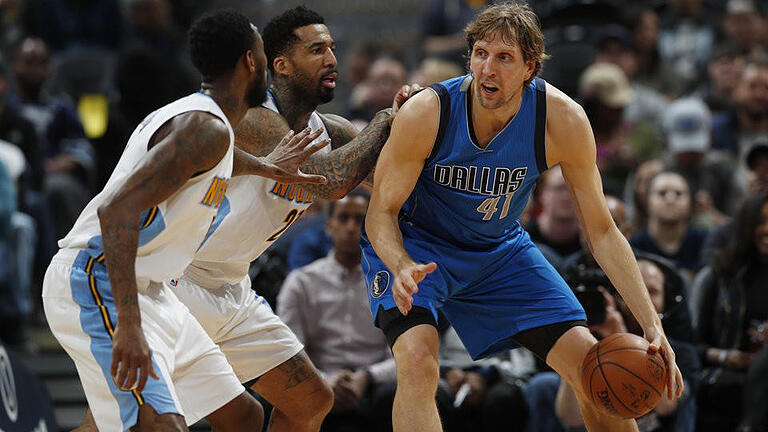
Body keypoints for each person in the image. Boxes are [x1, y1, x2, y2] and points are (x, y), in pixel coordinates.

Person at [362, 3, 683, 432]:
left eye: (504, 57)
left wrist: (650, 325)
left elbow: (603, 231)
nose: (487, 69)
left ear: (530, 67)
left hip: (499, 253)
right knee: (418, 364)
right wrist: (400, 265)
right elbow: (380, 212)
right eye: (480, 53)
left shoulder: (561, 119)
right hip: (419, 249)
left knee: (597, 370)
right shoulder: (429, 112)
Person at [44, 9, 328, 431]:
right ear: (251, 62)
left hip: (152, 288)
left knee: (244, 417)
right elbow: (115, 210)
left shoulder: (212, 125)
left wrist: (268, 168)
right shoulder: (204, 127)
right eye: (263, 55)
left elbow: (215, 157)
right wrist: (129, 326)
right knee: (160, 426)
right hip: (98, 280)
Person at [168, 6, 416, 432]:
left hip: (232, 287)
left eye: (333, 48)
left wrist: (419, 122)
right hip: (177, 283)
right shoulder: (249, 115)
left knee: (310, 403)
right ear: (280, 65)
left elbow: (393, 185)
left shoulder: (331, 130)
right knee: (130, 422)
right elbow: (329, 181)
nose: (332, 59)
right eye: (317, 49)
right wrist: (385, 118)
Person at [278, 191, 397, 432]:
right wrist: (323, 380)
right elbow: (289, 352)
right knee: (282, 394)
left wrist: (367, 377)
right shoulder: (301, 282)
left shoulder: (393, 284)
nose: (352, 228)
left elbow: (402, 356)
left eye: (360, 220)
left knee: (401, 392)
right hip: (316, 382)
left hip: (375, 387)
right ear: (329, 226)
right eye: (344, 218)